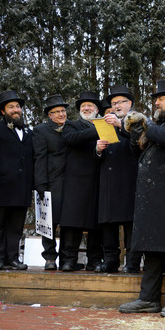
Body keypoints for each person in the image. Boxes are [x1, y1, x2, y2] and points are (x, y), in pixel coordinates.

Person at [118, 80, 165, 317]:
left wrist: (147, 125)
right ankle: (148, 299)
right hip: (148, 195)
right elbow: (136, 151)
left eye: (160, 99)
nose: (156, 103)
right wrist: (134, 134)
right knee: (150, 247)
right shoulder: (157, 126)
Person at [0, 90, 33, 270]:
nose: (16, 110)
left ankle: (13, 258)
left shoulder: (28, 131)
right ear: (3, 111)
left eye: (18, 106)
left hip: (21, 186)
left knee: (16, 226)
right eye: (11, 107)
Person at [95, 84, 140, 273]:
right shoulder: (105, 122)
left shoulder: (138, 121)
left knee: (130, 224)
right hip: (108, 180)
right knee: (108, 223)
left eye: (121, 101)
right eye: (114, 103)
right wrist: (97, 149)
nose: (117, 105)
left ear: (129, 103)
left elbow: (139, 144)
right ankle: (111, 260)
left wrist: (120, 126)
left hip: (129, 179)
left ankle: (132, 262)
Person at [59, 90, 104, 271]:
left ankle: (94, 260)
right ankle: (69, 260)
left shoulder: (104, 126)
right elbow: (72, 139)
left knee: (97, 224)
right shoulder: (71, 126)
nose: (86, 108)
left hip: (98, 181)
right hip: (75, 182)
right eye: (83, 106)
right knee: (72, 223)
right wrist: (98, 130)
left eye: (90, 106)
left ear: (96, 110)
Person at [32, 94, 69, 270]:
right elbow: (39, 158)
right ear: (50, 115)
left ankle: (67, 259)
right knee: (49, 224)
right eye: (57, 111)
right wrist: (40, 184)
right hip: (51, 183)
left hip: (70, 182)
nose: (61, 114)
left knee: (69, 222)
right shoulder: (41, 131)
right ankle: (50, 257)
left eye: (63, 110)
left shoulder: (72, 128)